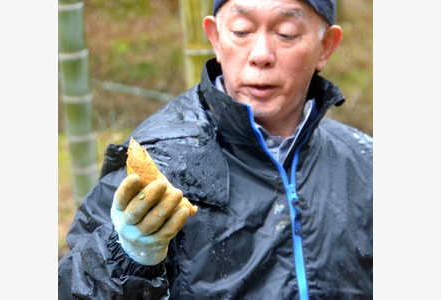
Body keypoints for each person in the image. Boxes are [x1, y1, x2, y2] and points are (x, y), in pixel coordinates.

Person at [58, 0, 373, 299]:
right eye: (241, 31)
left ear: (326, 47)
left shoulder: (365, 161)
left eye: (286, 34)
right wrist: (124, 256)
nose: (261, 54)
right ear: (215, 38)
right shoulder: (160, 159)